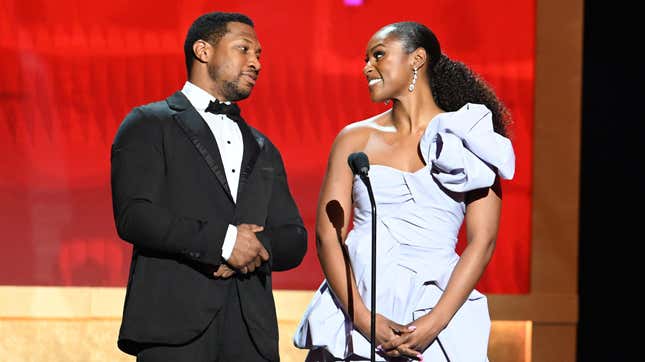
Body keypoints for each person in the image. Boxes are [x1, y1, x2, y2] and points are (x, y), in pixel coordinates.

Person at [294, 21, 515, 361]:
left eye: (378, 55)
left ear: (417, 59)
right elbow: (328, 234)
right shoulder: (354, 139)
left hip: (437, 309)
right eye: (365, 58)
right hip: (359, 303)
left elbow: (483, 241)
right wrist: (364, 319)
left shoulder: (470, 137)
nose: (367, 67)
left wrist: (433, 323)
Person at [111, 12, 307, 362]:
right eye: (244, 49)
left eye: (259, 54)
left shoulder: (263, 146)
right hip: (173, 327)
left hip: (251, 331)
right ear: (203, 50)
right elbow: (135, 216)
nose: (257, 63)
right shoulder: (149, 123)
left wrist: (254, 246)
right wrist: (224, 243)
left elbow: (294, 238)